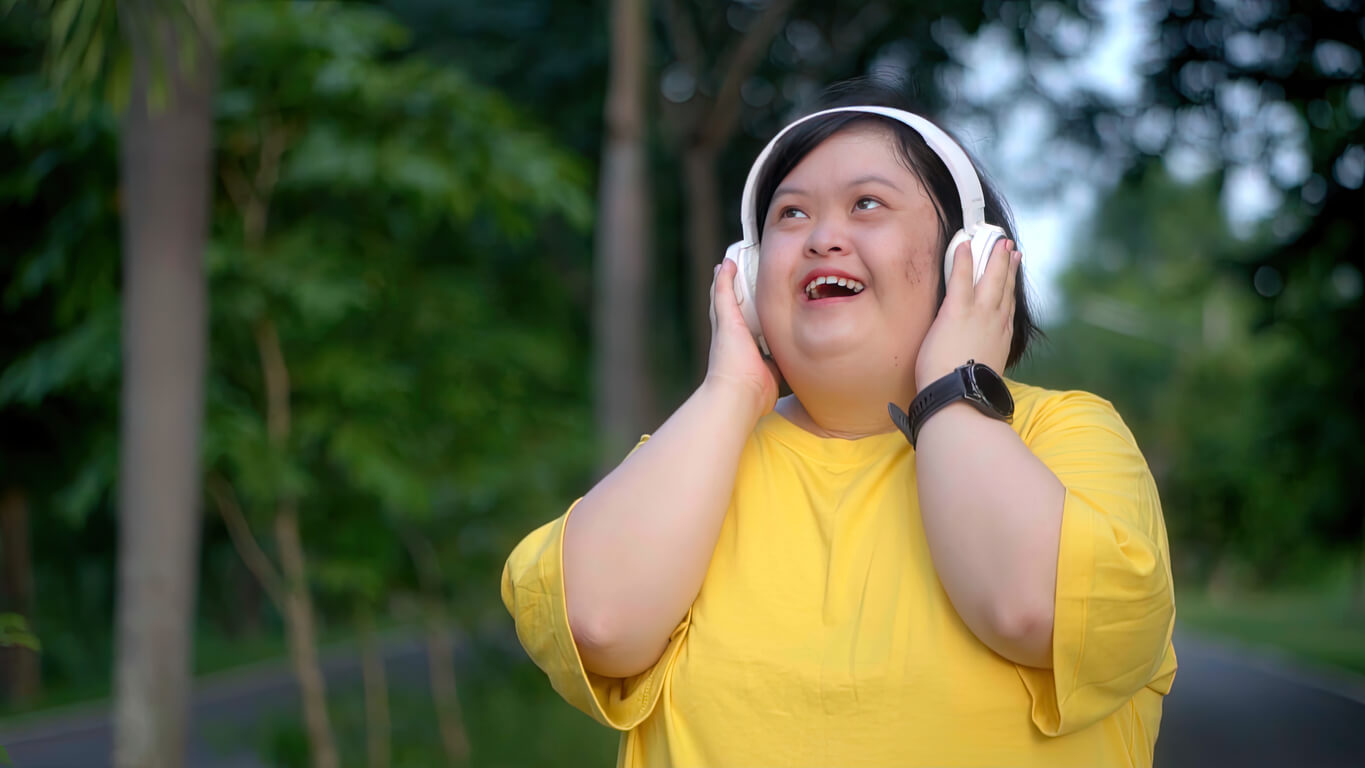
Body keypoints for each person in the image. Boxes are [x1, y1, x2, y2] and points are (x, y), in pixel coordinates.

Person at [501, 80, 1177, 767]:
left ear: (964, 257)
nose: (823, 237)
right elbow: (598, 622)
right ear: (746, 277)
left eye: (866, 204)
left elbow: (1036, 610)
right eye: (789, 216)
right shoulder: (700, 458)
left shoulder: (1065, 436)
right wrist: (731, 386)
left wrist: (952, 384)